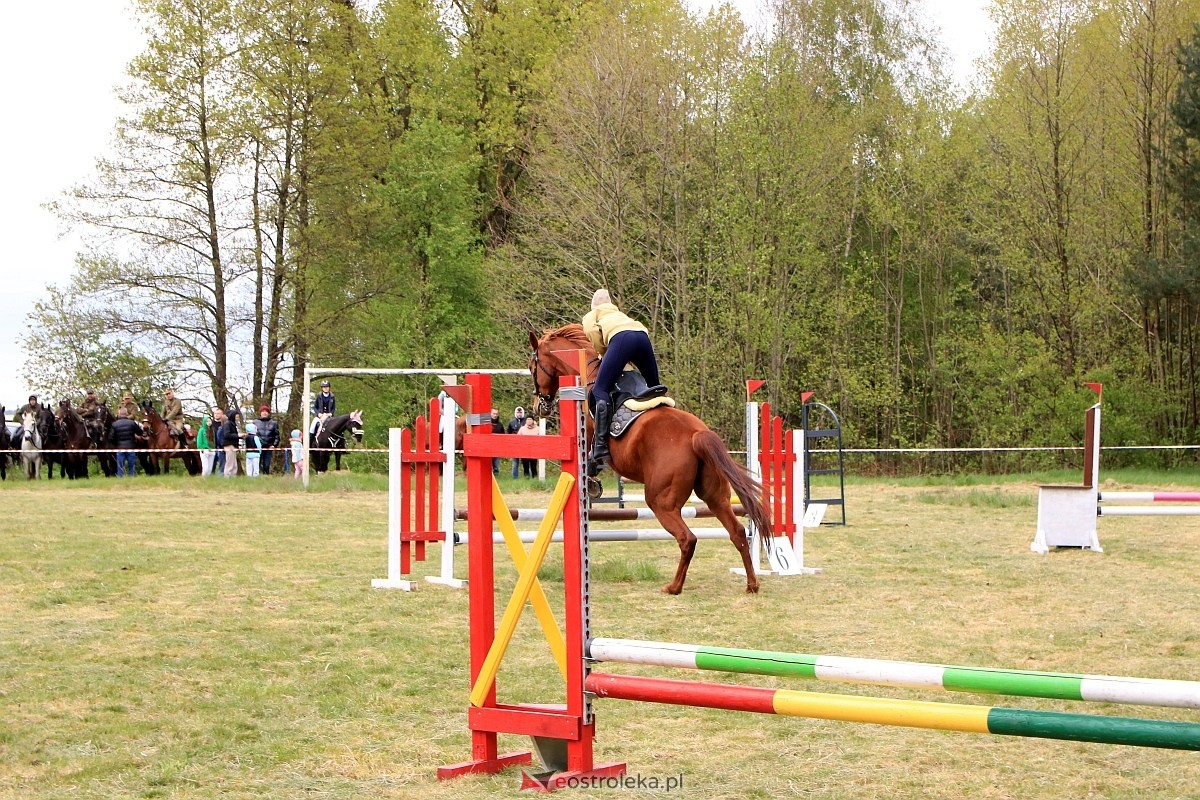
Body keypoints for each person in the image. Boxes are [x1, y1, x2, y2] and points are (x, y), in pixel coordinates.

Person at [580, 288, 664, 474]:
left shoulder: (592, 315)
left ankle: (600, 445)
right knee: (655, 387)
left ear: (593, 305)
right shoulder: (619, 314)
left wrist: (605, 354)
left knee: (600, 390)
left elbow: (593, 335)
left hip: (621, 339)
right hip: (643, 336)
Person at [110, 406, 143, 478]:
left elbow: (111, 438)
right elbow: (140, 432)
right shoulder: (132, 423)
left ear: (119, 414)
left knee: (120, 466)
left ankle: (120, 479)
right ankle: (132, 478)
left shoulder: (114, 424)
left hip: (120, 448)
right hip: (131, 447)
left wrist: (117, 444)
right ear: (127, 414)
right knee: (132, 465)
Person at [256, 406, 280, 475]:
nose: (264, 413)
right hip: (258, 447)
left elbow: (277, 436)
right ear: (260, 413)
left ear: (268, 413)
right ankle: (258, 477)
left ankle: (266, 476)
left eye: (266, 411)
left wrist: (274, 445)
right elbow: (252, 435)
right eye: (263, 411)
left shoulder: (273, 423)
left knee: (266, 465)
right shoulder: (255, 422)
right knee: (258, 464)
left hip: (269, 447)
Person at [507, 406, 528, 478]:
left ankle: (527, 477)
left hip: (525, 445)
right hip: (515, 446)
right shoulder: (511, 422)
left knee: (526, 462)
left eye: (521, 412)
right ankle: (514, 478)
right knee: (515, 463)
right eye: (518, 412)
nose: (519, 414)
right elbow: (508, 434)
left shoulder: (527, 422)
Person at [221, 407, 242, 477]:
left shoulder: (232, 424)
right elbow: (227, 434)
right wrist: (238, 435)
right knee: (230, 463)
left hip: (233, 445)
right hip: (229, 445)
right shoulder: (227, 424)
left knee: (234, 464)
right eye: (236, 417)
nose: (237, 418)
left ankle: (233, 477)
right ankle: (227, 476)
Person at [212, 408, 227, 475]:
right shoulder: (211, 424)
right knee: (212, 464)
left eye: (218, 413)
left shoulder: (224, 424)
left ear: (222, 414)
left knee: (222, 464)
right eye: (215, 413)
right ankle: (211, 476)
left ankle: (220, 476)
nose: (216, 415)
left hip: (222, 447)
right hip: (212, 447)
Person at [489, 408, 504, 475]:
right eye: (494, 413)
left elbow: (503, 435)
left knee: (496, 464)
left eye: (496, 414)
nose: (495, 415)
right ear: (490, 414)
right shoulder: (486, 424)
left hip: (497, 447)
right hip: (487, 447)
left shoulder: (500, 425)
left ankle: (496, 475)